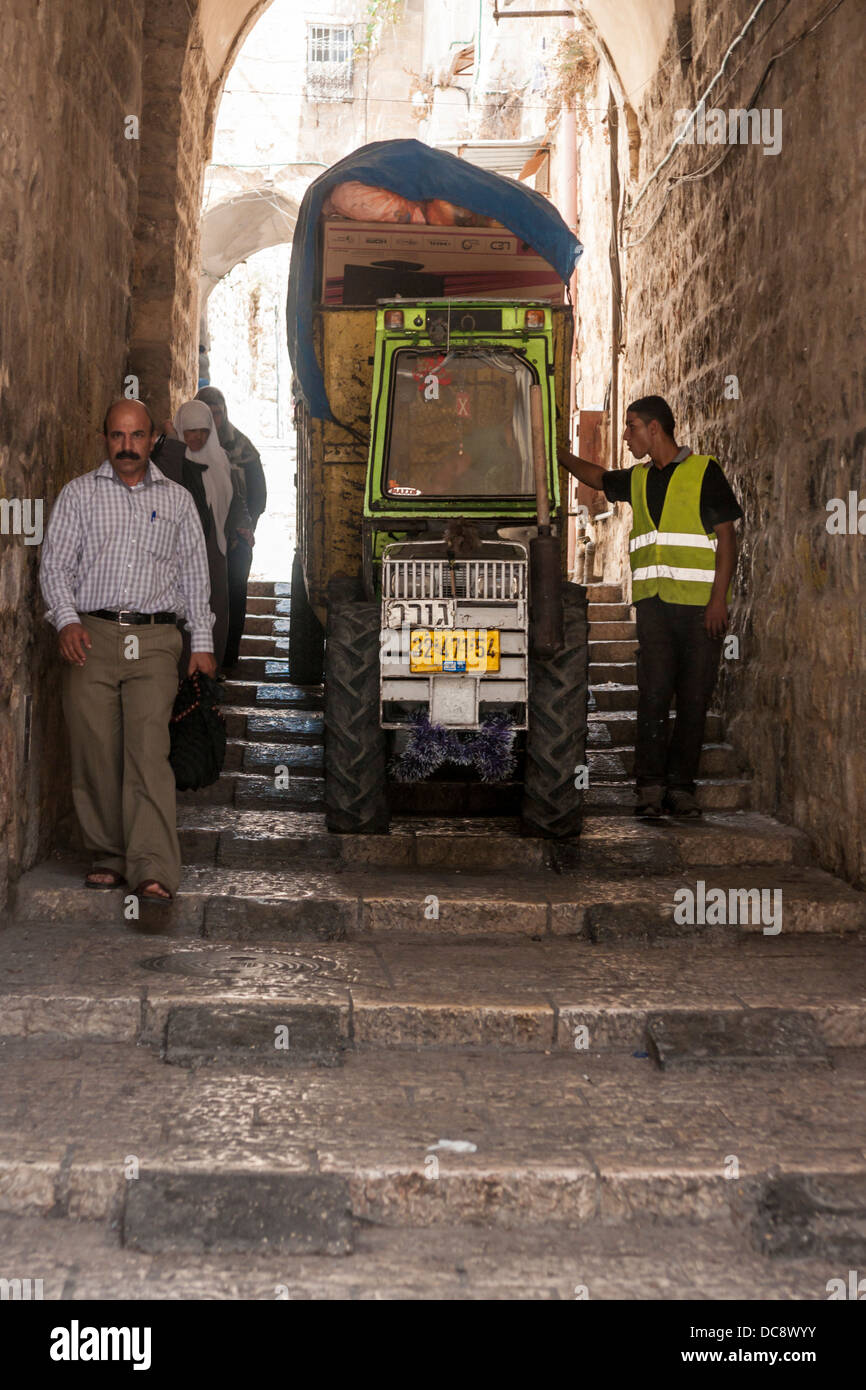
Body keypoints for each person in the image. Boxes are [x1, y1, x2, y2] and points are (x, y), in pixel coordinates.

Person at [39, 399, 216, 903]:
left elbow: (194, 577)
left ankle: (152, 866)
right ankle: (108, 854)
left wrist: (201, 642)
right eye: (117, 436)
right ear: (105, 440)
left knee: (147, 750)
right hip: (91, 636)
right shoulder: (78, 496)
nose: (127, 447)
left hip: (156, 639)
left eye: (136, 436)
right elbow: (55, 567)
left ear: (152, 441)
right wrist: (66, 620)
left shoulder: (179, 501)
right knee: (94, 750)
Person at [559, 395, 744, 818]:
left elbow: (727, 539)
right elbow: (599, 477)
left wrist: (719, 599)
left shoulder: (704, 472)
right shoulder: (638, 479)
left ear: (654, 429)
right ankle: (649, 788)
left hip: (699, 610)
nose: (625, 436)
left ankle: (681, 789)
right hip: (655, 607)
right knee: (653, 696)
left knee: (694, 699)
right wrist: (561, 456)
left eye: (631, 427)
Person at [195, 387, 266, 668]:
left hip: (237, 538)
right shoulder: (186, 447)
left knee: (234, 595)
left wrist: (245, 530)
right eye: (207, 416)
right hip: (199, 540)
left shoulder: (242, 448)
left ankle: (227, 660)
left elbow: (257, 495)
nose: (214, 422)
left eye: (218, 415)